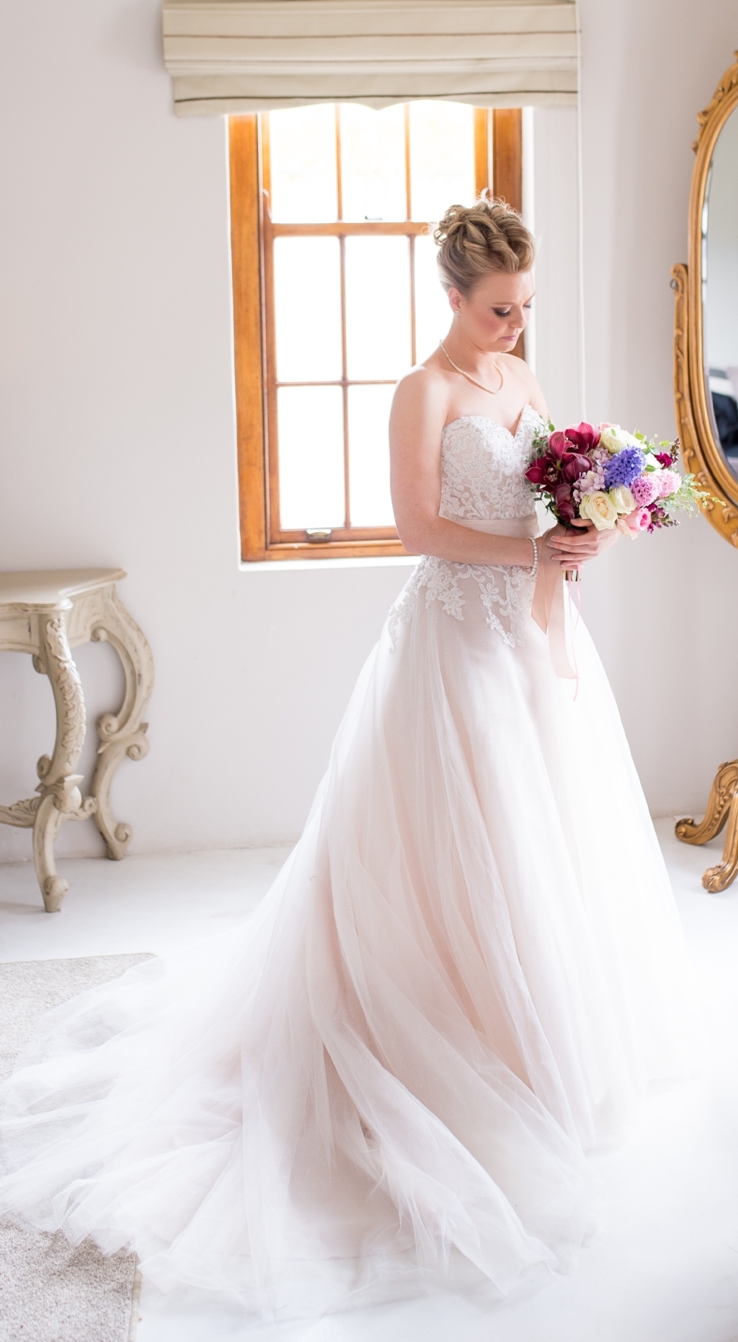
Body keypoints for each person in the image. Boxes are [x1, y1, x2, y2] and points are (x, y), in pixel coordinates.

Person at [0, 200, 689, 1321]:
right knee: (459, 847)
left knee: (542, 840)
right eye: (499, 307)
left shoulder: (522, 377)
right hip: (453, 641)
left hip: (530, 626)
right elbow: (418, 527)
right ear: (453, 299)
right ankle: (432, 1045)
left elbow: (550, 484)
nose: (517, 324)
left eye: (526, 306)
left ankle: (528, 1052)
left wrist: (583, 532)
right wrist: (527, 542)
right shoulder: (423, 392)